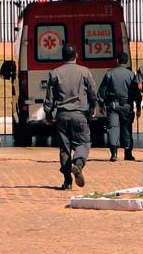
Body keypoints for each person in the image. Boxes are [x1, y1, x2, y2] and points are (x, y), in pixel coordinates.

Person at [43, 43, 96, 190]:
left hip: (62, 115)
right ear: (76, 56)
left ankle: (67, 181)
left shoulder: (55, 73)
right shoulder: (85, 72)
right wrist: (93, 107)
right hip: (79, 114)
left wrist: (48, 113)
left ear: (62, 56)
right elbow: (92, 92)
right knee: (83, 143)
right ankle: (78, 164)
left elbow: (49, 97)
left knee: (64, 148)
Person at [97, 51, 140, 162]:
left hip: (113, 105)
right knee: (127, 128)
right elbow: (136, 93)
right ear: (126, 61)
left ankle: (114, 154)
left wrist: (101, 104)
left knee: (113, 128)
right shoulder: (131, 75)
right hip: (127, 105)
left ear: (117, 60)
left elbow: (102, 91)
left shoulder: (109, 73)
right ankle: (128, 153)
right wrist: (138, 107)